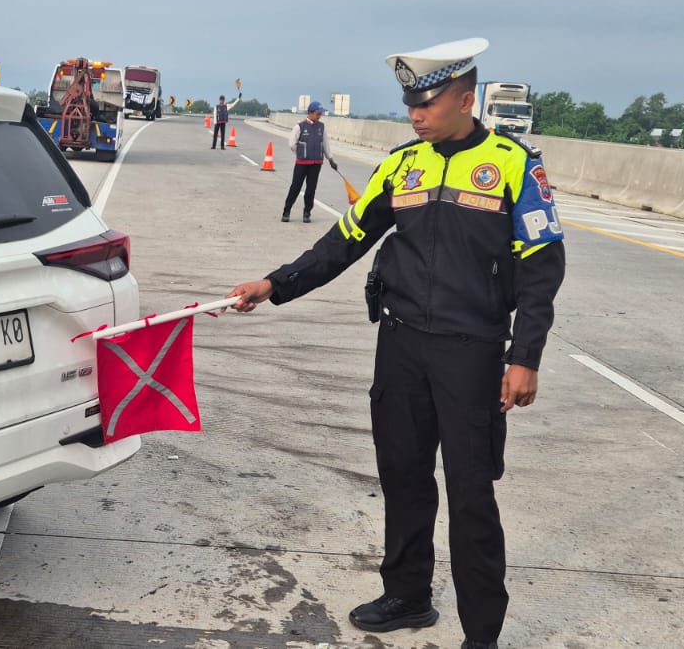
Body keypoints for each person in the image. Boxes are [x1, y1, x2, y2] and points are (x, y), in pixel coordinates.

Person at [225, 38, 566, 649]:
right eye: (411, 103)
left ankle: (482, 635)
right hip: (402, 347)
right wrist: (275, 285)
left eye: (428, 103)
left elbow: (542, 265)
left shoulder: (513, 164)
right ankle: (408, 595)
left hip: (472, 350)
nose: (416, 114)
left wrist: (524, 356)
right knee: (404, 476)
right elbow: (344, 242)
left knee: (470, 496)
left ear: (465, 100)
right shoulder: (402, 164)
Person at [284, 100, 336, 223]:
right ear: (311, 113)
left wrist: (331, 159)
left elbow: (325, 145)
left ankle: (307, 213)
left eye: (320, 114)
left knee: (311, 189)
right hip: (302, 164)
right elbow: (292, 144)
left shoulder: (322, 127)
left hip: (316, 164)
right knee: (295, 187)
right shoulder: (299, 126)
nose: (319, 116)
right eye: (318, 114)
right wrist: (302, 153)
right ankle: (286, 211)